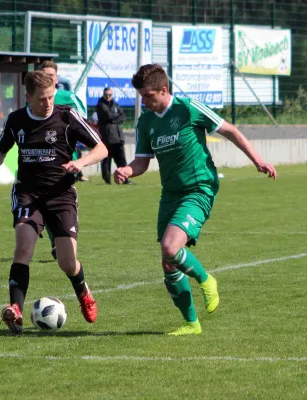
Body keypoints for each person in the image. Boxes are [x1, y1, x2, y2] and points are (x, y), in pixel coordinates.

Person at [114, 64, 277, 336]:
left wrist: (258, 161)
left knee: (169, 247)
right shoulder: (146, 122)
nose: (144, 101)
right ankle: (191, 324)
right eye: (141, 96)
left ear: (163, 90)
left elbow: (231, 131)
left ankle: (206, 279)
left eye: (148, 96)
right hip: (170, 193)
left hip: (199, 188)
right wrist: (127, 170)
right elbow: (142, 162)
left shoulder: (188, 108)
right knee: (169, 262)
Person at [0, 71, 108, 334]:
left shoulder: (67, 116)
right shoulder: (16, 120)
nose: (48, 103)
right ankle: (15, 311)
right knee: (23, 248)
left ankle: (83, 291)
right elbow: (1, 148)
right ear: (28, 97)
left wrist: (80, 163)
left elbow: (101, 148)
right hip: (28, 194)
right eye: (42, 99)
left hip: (61, 195)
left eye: (51, 96)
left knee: (66, 261)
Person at [38, 60, 90, 260]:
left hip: (66, 159)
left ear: (57, 79)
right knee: (44, 202)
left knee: (59, 200)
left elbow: (82, 122)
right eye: (44, 75)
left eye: (51, 76)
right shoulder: (36, 99)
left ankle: (64, 237)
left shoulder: (68, 97)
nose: (48, 79)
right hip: (41, 160)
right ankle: (56, 240)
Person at [96, 87, 133, 185]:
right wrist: (116, 116)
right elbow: (108, 116)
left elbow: (123, 116)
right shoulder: (101, 105)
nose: (108, 97)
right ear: (103, 95)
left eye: (110, 95)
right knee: (106, 160)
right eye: (106, 95)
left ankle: (125, 179)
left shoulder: (115, 105)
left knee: (121, 159)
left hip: (118, 137)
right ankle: (107, 181)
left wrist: (114, 119)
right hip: (107, 137)